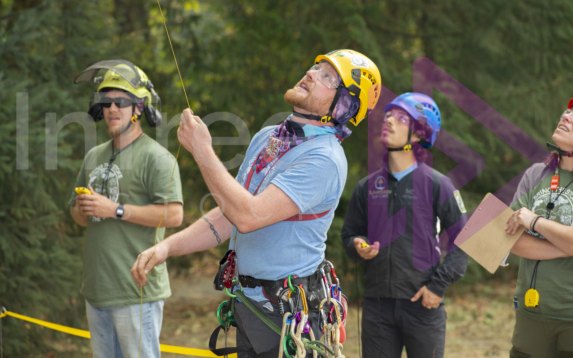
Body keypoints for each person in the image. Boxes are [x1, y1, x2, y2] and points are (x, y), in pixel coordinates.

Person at [131, 50, 382, 357]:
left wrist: (203, 152)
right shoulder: (270, 136)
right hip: (249, 305)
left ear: (343, 106)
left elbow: (248, 216)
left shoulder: (324, 159)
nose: (311, 74)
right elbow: (228, 214)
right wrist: (167, 248)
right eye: (316, 67)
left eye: (328, 77)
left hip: (287, 316)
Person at [70, 59, 184, 358]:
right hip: (96, 289)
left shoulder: (157, 158)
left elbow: (174, 215)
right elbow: (78, 218)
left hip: (137, 291)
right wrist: (83, 209)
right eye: (105, 102)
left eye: (120, 101)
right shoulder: (93, 156)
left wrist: (116, 209)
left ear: (139, 108)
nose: (111, 109)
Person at [340, 93, 469, 358]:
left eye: (401, 118)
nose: (388, 120)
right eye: (389, 115)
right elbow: (349, 234)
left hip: (423, 305)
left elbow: (464, 241)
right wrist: (357, 245)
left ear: (419, 134)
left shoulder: (438, 184)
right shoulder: (367, 186)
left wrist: (436, 287)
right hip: (376, 308)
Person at [504, 99, 573, 358]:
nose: (566, 115)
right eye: (566, 110)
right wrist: (565, 247)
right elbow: (509, 238)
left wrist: (533, 221)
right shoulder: (536, 174)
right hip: (531, 313)